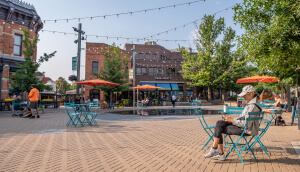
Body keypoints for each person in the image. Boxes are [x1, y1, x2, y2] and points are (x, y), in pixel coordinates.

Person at [204, 85, 261, 161]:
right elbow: (242, 118)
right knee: (219, 123)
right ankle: (216, 150)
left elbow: (246, 125)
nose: (243, 97)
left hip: (246, 130)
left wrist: (232, 121)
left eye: (244, 95)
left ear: (250, 94)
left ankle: (218, 152)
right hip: (244, 128)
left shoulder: (252, 107)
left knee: (219, 128)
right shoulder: (251, 105)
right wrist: (231, 120)